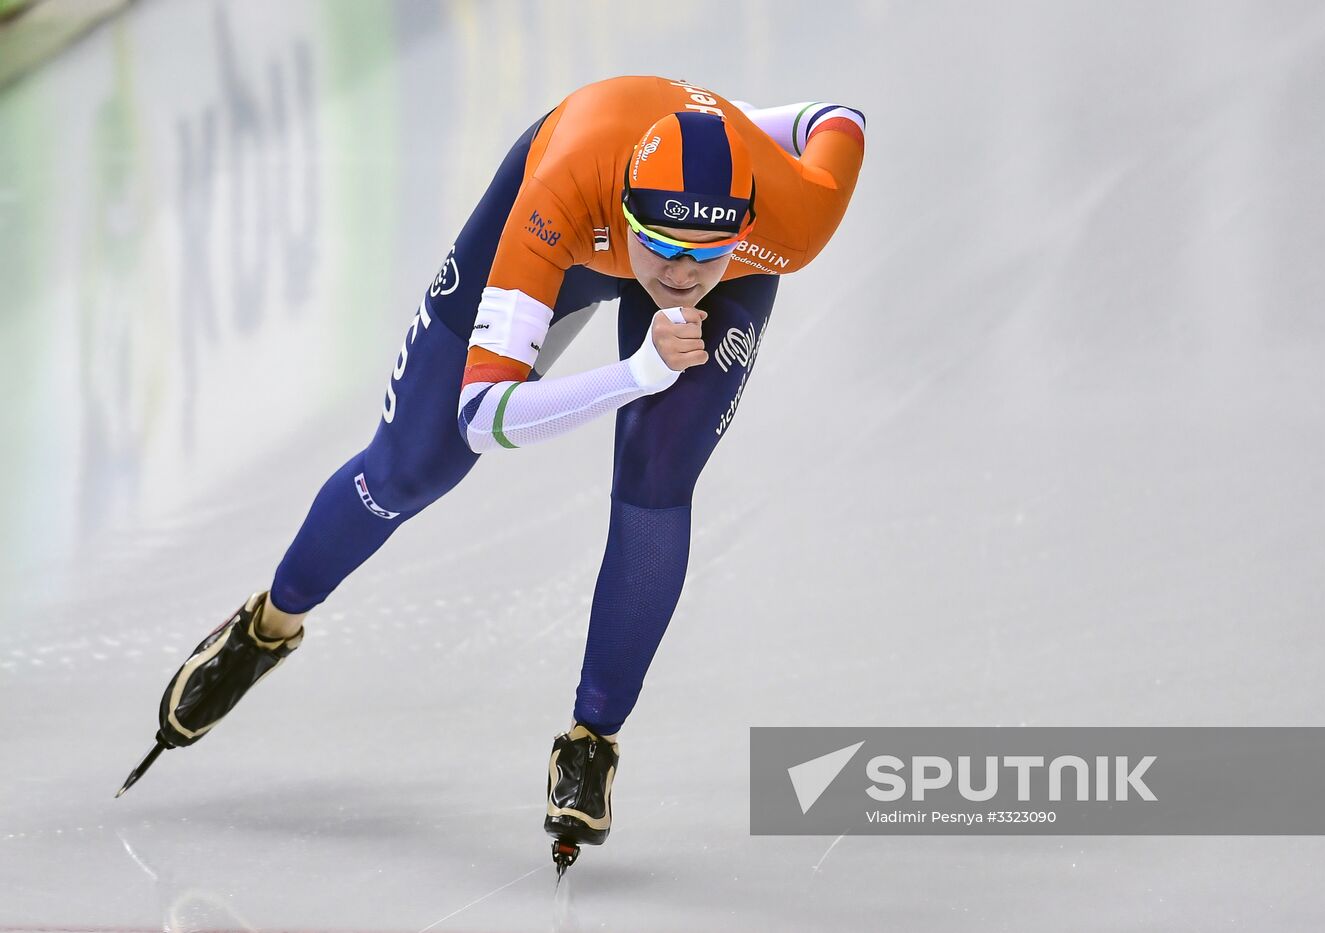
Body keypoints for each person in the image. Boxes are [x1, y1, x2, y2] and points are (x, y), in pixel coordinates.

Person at [122, 75, 865, 872]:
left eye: (706, 252)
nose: (683, 276)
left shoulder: (790, 217)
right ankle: (267, 624)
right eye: (665, 247)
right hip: (573, 218)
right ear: (625, 212)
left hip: (696, 199)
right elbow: (484, 414)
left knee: (658, 471)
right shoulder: (562, 193)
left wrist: (739, 125)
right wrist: (635, 372)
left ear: (743, 223)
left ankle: (593, 738)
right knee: (414, 464)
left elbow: (840, 117)